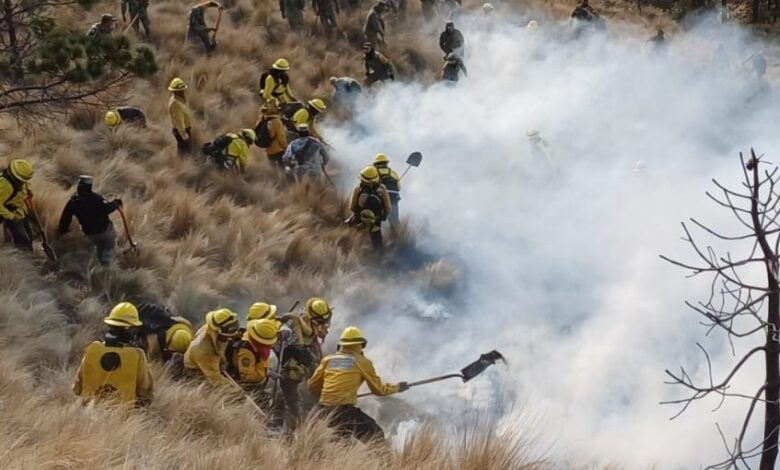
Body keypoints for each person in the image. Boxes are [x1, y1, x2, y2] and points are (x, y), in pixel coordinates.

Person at [308, 326, 408, 442]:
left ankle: (335, 456)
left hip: (324, 410)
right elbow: (379, 390)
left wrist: (330, 395)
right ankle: (382, 460)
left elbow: (312, 386)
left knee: (343, 438)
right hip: (344, 411)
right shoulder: (362, 362)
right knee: (376, 436)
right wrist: (398, 387)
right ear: (360, 345)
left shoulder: (328, 360)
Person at [270, 297, 333, 432]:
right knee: (291, 399)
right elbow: (279, 329)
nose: (324, 326)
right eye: (320, 322)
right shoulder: (293, 323)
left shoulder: (313, 327)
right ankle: (278, 424)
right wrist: (283, 330)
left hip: (301, 359)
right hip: (290, 362)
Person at [73, 302, 154, 406]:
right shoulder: (137, 355)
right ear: (129, 329)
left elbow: (77, 388)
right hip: (125, 417)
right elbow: (145, 391)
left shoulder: (92, 350)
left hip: (90, 416)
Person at [57, 176, 122, 266]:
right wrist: (116, 203)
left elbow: (65, 219)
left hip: (90, 234)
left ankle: (97, 264)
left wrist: (62, 232)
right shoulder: (96, 198)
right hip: (105, 232)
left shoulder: (73, 201)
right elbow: (107, 209)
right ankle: (106, 269)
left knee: (98, 247)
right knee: (107, 252)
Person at [184, 308, 240, 386]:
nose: (233, 335)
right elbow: (217, 381)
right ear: (218, 331)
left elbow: (220, 347)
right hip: (197, 372)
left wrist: (222, 363)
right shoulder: (204, 351)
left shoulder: (211, 329)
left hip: (211, 363)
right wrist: (237, 392)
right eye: (230, 330)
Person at [226, 319, 280, 399]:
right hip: (245, 388)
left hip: (256, 383)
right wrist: (264, 372)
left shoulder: (253, 342)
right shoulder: (246, 353)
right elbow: (247, 377)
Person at [348, 166, 392, 248]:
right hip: (376, 219)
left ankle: (356, 251)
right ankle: (379, 255)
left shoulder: (358, 189)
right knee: (377, 239)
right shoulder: (382, 189)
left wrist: (357, 214)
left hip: (359, 218)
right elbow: (388, 208)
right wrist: (383, 216)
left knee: (353, 235)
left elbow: (351, 206)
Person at [0, 159, 33, 250]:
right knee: (23, 241)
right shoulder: (5, 185)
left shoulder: (18, 179)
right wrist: (12, 217)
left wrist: (28, 190)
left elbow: (26, 182)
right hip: (12, 214)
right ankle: (25, 258)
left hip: (20, 210)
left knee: (29, 235)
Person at [254, 101, 288, 168]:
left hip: (268, 150)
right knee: (282, 169)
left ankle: (273, 178)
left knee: (273, 169)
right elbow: (281, 137)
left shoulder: (263, 120)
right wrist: (286, 147)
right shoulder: (277, 121)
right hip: (279, 150)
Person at [372, 154, 400, 227]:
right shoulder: (393, 172)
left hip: (379, 197)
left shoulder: (374, 172)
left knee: (375, 218)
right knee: (394, 221)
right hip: (393, 197)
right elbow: (399, 188)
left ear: (375, 163)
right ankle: (398, 235)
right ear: (386, 163)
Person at [168, 77, 193, 155]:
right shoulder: (176, 104)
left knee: (183, 150)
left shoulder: (180, 99)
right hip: (181, 130)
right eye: (180, 91)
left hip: (183, 129)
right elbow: (178, 121)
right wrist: (184, 135)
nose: (182, 91)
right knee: (185, 152)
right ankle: (182, 165)